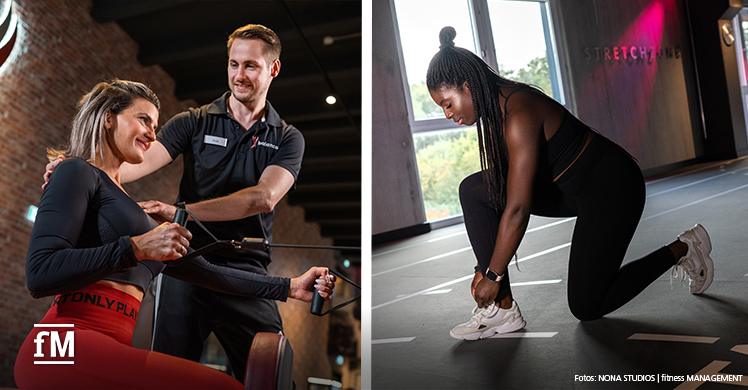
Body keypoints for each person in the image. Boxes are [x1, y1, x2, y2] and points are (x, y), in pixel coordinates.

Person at [16, 79, 334, 389]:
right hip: (60, 348)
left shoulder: (130, 209)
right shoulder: (76, 171)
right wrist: (136, 247)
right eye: (144, 120)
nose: (153, 135)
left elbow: (211, 275)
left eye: (156, 125)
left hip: (108, 350)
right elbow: (40, 273)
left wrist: (290, 287)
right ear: (109, 118)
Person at [44, 24, 309, 378]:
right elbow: (133, 161)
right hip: (186, 263)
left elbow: (263, 198)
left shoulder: (288, 137)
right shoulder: (194, 122)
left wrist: (179, 212)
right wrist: (75, 165)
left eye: (250, 66)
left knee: (271, 375)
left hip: (246, 270)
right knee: (168, 375)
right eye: (233, 64)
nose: (238, 75)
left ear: (273, 69)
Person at [425, 27, 714, 341]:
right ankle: (502, 309)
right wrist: (483, 268)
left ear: (467, 87)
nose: (447, 113)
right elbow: (503, 190)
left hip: (613, 189)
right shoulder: (495, 111)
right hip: (566, 189)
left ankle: (684, 247)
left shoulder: (518, 111)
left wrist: (493, 273)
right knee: (473, 190)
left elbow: (518, 207)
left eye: (448, 103)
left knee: (586, 305)